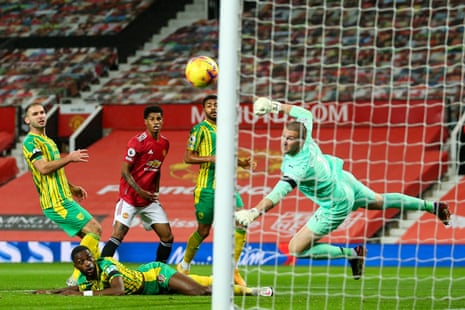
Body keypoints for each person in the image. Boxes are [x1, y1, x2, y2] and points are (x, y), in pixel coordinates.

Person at [235, 97, 451, 279]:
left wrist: (254, 213)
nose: (284, 142)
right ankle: (433, 206)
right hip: (343, 179)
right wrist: (274, 106)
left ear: (301, 141)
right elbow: (304, 113)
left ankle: (351, 254)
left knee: (296, 249)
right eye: (283, 137)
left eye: (290, 139)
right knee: (380, 201)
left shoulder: (298, 166)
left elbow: (277, 194)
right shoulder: (306, 132)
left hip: (335, 202)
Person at [176, 94, 256, 286]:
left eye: (216, 105)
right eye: (209, 105)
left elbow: (226, 156)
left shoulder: (227, 129)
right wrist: (210, 158)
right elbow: (188, 157)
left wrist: (242, 163)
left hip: (228, 187)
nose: (213, 108)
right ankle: (184, 265)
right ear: (204, 109)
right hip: (206, 189)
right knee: (203, 230)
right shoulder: (200, 129)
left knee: (241, 222)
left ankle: (233, 270)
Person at [22, 102, 102, 284]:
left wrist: (71, 187)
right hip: (54, 201)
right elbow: (42, 168)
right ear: (27, 120)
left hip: (63, 197)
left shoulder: (49, 141)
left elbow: (55, 172)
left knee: (89, 237)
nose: (40, 116)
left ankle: (94, 277)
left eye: (42, 112)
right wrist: (70, 158)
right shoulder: (30, 142)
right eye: (35, 114)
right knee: (95, 229)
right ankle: (76, 278)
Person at [33, 245, 273, 297]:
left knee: (201, 292)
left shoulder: (105, 266)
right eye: (82, 262)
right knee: (196, 286)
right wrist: (51, 292)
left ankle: (251, 290)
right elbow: (76, 288)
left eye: (89, 259)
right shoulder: (87, 278)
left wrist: (81, 295)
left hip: (155, 275)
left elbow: (118, 290)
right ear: (76, 266)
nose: (87, 263)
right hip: (151, 287)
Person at [101, 105, 174, 263]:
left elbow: (157, 168)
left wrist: (156, 190)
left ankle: (158, 273)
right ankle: (100, 274)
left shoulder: (165, 143)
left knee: (167, 236)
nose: (156, 122)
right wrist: (139, 191)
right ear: (145, 122)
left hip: (148, 200)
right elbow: (125, 171)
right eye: (152, 119)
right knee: (118, 235)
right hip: (130, 198)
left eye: (159, 119)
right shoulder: (137, 142)